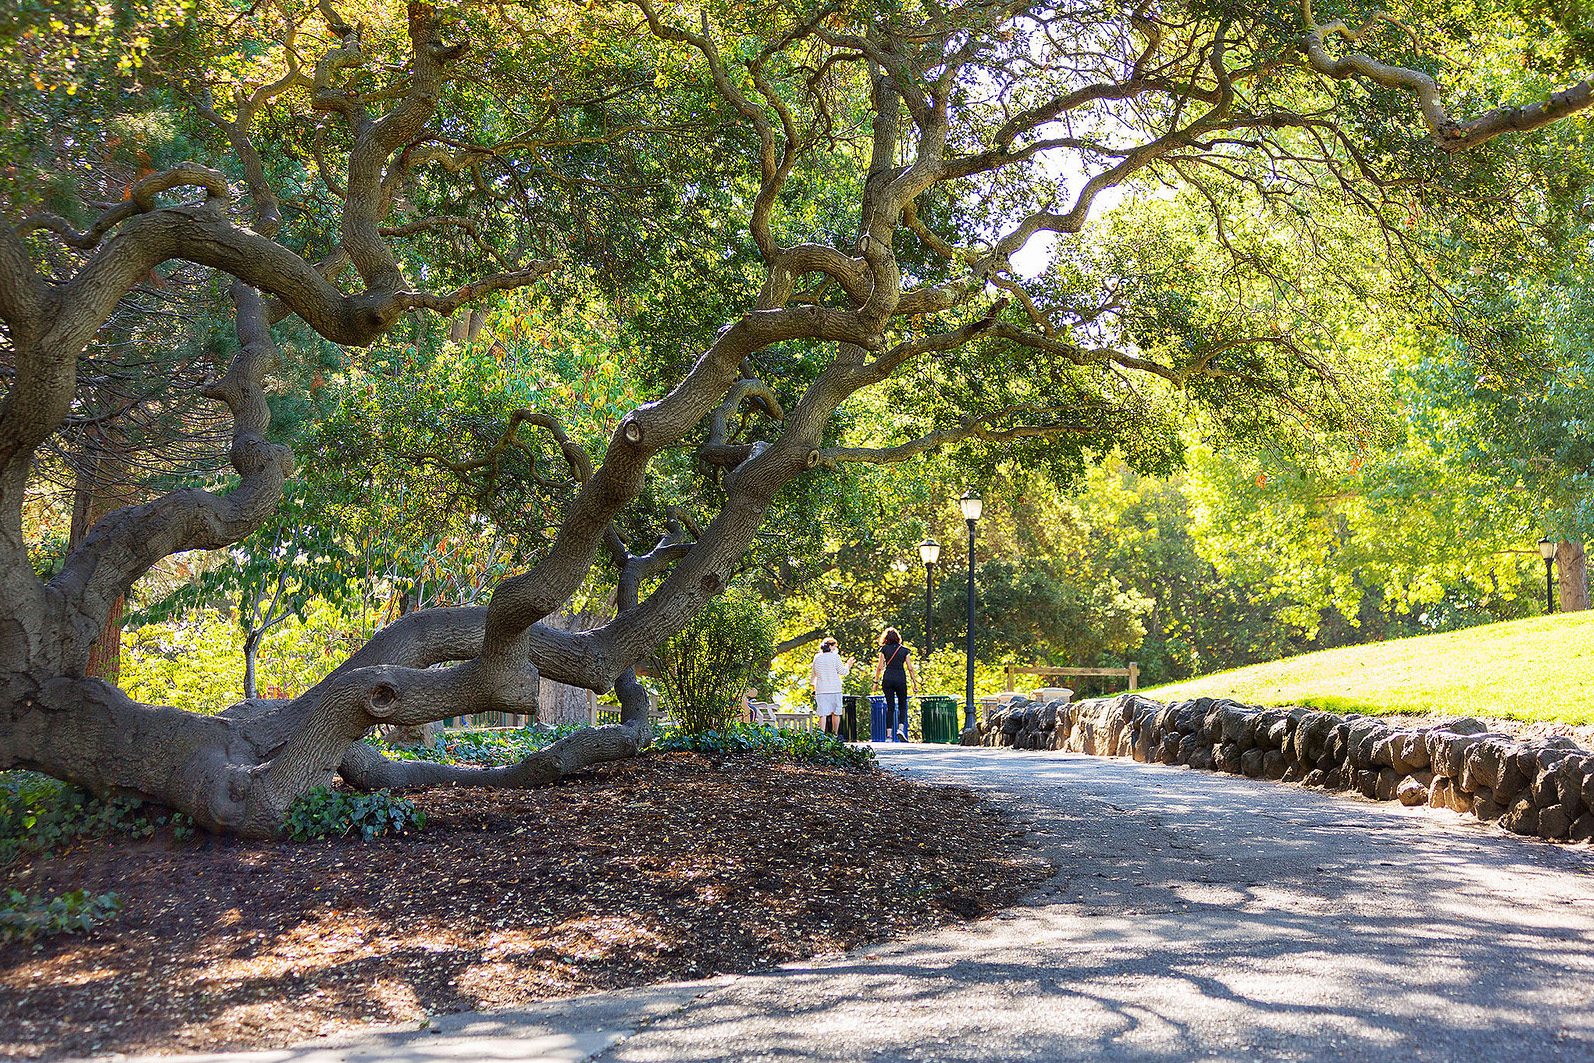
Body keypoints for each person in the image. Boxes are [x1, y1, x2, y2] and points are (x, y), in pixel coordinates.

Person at [872, 627, 920, 742]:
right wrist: (915, 683)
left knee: (890, 706)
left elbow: (880, 667)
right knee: (903, 705)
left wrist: (875, 682)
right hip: (900, 679)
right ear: (898, 638)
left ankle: (888, 736)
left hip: (887, 679)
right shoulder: (904, 650)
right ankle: (900, 729)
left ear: (886, 638)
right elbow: (910, 668)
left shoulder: (884, 649)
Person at [810, 637, 856, 736]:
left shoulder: (817, 658)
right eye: (834, 646)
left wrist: (814, 690)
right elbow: (843, 672)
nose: (835, 649)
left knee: (822, 714)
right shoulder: (835, 657)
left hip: (821, 690)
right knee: (836, 713)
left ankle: (821, 736)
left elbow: (813, 676)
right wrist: (848, 665)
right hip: (834, 689)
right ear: (830, 647)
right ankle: (835, 735)